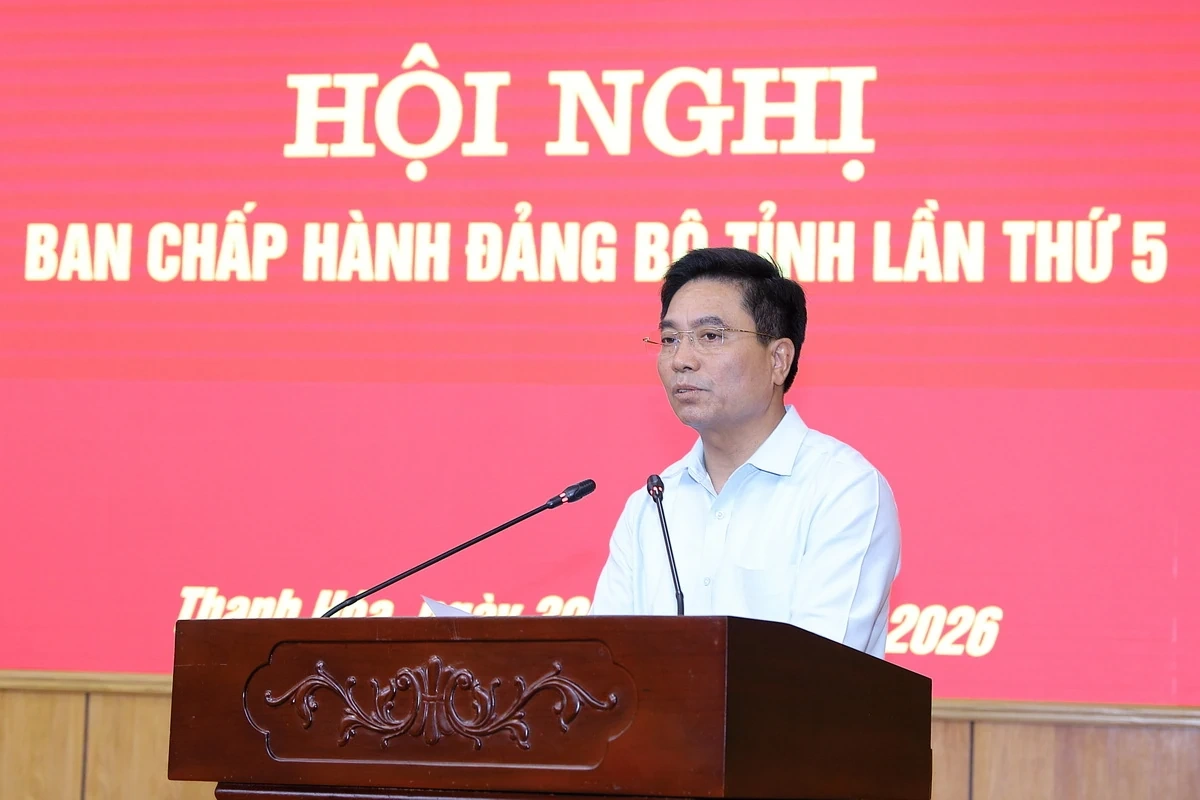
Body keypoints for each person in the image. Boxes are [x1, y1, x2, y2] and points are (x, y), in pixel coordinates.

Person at [590, 247, 900, 658]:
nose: (681, 359)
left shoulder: (842, 490)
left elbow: (819, 670)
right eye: (669, 339)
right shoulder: (651, 505)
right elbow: (601, 665)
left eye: (710, 336)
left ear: (778, 360)